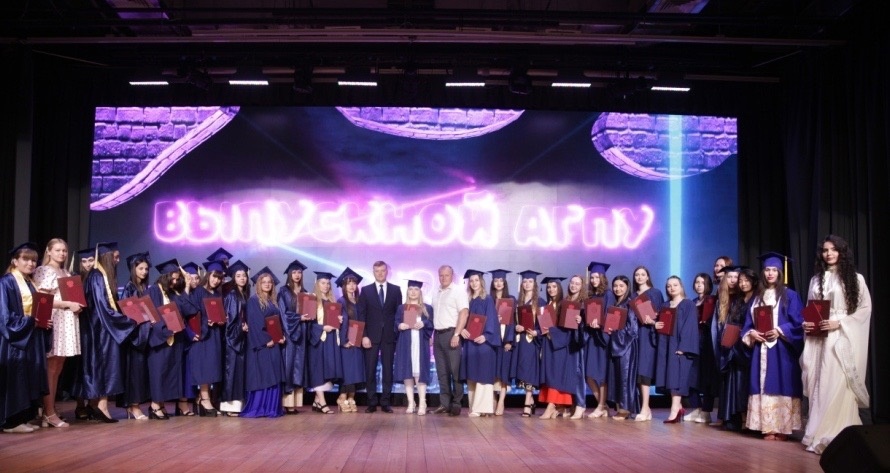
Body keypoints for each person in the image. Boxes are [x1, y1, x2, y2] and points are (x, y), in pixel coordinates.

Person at [800, 235, 872, 454]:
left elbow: (864, 310)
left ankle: (838, 432)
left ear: (842, 252)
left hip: (840, 338)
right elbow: (811, 307)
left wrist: (839, 323)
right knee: (819, 381)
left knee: (836, 382)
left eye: (833, 249)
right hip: (818, 338)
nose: (829, 253)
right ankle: (817, 431)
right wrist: (807, 323)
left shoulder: (856, 279)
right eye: (825, 250)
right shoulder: (816, 280)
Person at [742, 252, 804, 441]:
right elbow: (747, 324)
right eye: (767, 270)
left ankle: (783, 428)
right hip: (760, 348)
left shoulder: (790, 295)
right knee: (761, 384)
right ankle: (767, 427)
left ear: (780, 273)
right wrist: (751, 333)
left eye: (774, 270)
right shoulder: (756, 297)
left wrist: (779, 330)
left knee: (782, 383)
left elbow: (798, 323)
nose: (770, 273)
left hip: (782, 348)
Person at [73, 242, 137, 423]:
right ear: (107, 257)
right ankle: (101, 405)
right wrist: (128, 321)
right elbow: (103, 307)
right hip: (101, 330)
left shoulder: (99, 275)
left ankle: (96, 405)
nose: (117, 260)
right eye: (115, 257)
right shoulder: (97, 276)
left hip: (101, 328)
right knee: (106, 365)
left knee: (101, 366)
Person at [32, 238, 83, 427]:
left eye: (64, 250)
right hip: (55, 319)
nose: (62, 253)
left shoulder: (66, 272)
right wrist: (68, 304)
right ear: (49, 251)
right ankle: (48, 412)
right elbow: (43, 299)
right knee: (51, 368)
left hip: (67, 321)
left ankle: (50, 408)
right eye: (58, 250)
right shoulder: (44, 270)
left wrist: (77, 305)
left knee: (58, 367)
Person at [1, 243, 48, 433]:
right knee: (16, 377)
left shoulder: (29, 282)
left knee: (27, 376)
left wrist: (42, 321)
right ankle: (11, 422)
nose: (31, 263)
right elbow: (4, 316)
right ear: (15, 261)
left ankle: (22, 417)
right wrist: (29, 322)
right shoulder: (6, 282)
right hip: (14, 341)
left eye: (34, 260)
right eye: (26, 259)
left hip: (29, 337)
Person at [146, 258, 199, 420]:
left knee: (167, 373)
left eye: (177, 279)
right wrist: (166, 331)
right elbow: (153, 315)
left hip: (174, 339)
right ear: (165, 277)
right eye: (173, 279)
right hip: (160, 339)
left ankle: (160, 405)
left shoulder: (173, 292)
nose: (175, 282)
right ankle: (155, 406)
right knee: (159, 372)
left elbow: (191, 310)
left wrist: (186, 286)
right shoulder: (154, 291)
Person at [356, 261, 402, 413]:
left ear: (387, 271)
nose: (380, 273)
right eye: (377, 271)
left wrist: (397, 335)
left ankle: (385, 402)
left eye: (382, 270)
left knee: (388, 370)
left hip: (389, 336)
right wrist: (364, 336)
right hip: (371, 336)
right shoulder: (366, 290)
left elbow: (399, 314)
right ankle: (371, 402)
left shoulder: (396, 290)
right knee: (370, 370)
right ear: (373, 272)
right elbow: (361, 315)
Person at [241, 267, 285, 418]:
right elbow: (255, 324)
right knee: (262, 375)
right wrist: (267, 340)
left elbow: (277, 323)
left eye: (269, 282)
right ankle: (260, 407)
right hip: (261, 345)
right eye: (263, 282)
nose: (267, 284)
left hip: (274, 343)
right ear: (258, 284)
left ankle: (271, 408)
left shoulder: (273, 301)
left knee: (274, 374)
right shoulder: (253, 301)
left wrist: (281, 336)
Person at [654, 276, 699, 423]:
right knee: (669, 377)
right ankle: (679, 407)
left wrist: (684, 347)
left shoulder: (688, 304)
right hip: (666, 345)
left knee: (677, 378)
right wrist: (656, 324)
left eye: (675, 285)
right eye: (668, 286)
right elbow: (662, 324)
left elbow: (690, 326)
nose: (671, 288)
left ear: (681, 286)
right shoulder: (665, 305)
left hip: (680, 346)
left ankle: (674, 410)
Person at [716, 266, 755, 431]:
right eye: (741, 281)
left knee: (747, 382)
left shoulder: (757, 298)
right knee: (736, 382)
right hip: (736, 347)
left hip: (750, 347)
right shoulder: (738, 300)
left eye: (746, 281)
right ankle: (738, 418)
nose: (743, 284)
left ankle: (750, 419)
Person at [186, 260, 226, 417]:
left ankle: (202, 400)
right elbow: (191, 314)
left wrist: (222, 320)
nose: (216, 280)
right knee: (204, 368)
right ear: (208, 275)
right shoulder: (198, 292)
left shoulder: (217, 294)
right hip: (202, 335)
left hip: (214, 334)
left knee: (212, 368)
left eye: (219, 278)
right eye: (214, 276)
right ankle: (205, 400)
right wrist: (204, 323)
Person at [459, 269, 500, 417]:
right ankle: (473, 407)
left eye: (476, 280)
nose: (474, 283)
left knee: (483, 374)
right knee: (472, 374)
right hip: (470, 342)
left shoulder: (487, 299)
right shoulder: (467, 300)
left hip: (483, 343)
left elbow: (492, 320)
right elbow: (462, 319)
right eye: (471, 281)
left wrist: (486, 336)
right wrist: (462, 330)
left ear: (481, 281)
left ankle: (482, 408)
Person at [538, 276, 579, 419]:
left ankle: (551, 406)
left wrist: (551, 332)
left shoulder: (566, 304)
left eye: (554, 286)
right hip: (548, 345)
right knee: (550, 375)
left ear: (560, 288)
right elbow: (542, 327)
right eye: (549, 287)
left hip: (561, 346)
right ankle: (558, 407)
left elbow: (569, 328)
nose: (551, 289)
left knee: (557, 376)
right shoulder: (545, 307)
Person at [431, 265, 469, 416]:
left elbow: (464, 313)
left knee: (455, 371)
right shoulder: (436, 292)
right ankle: (444, 403)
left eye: (446, 275)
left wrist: (457, 334)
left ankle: (457, 404)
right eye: (441, 275)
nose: (443, 278)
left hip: (451, 333)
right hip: (438, 334)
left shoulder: (458, 291)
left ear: (452, 276)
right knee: (442, 372)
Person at [118, 251, 152, 420]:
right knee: (134, 373)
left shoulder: (144, 288)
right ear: (133, 269)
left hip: (145, 335)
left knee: (141, 373)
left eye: (146, 269)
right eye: (140, 268)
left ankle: (136, 406)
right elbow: (128, 314)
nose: (144, 272)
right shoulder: (129, 288)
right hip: (135, 337)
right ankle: (134, 406)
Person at [393, 280, 434, 415]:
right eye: (410, 289)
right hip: (406, 342)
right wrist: (400, 325)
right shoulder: (401, 308)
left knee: (420, 372)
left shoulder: (427, 308)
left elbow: (431, 324)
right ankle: (411, 402)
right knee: (407, 372)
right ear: (407, 291)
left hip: (420, 343)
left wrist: (424, 323)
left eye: (416, 289)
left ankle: (422, 402)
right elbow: (396, 323)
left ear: (420, 292)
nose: (413, 292)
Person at [631, 265, 663, 422]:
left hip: (648, 335)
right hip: (634, 337)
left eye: (643, 274)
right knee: (637, 372)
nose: (639, 277)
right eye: (637, 274)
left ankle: (645, 407)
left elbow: (661, 313)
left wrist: (654, 320)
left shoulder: (655, 293)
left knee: (645, 371)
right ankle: (645, 408)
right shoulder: (632, 295)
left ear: (648, 276)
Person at [277, 259, 310, 414]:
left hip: (302, 332)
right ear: (289, 274)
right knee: (289, 366)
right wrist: (298, 318)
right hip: (289, 333)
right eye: (294, 272)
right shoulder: (283, 291)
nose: (297, 275)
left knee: (299, 367)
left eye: (299, 272)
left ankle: (295, 403)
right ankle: (287, 403)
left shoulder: (305, 292)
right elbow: (283, 313)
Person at [684, 272, 718, 423]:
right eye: (697, 282)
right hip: (693, 342)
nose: (699, 285)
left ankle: (706, 411)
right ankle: (696, 408)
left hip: (707, 343)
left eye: (702, 283)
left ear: (708, 285)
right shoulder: (692, 302)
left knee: (707, 378)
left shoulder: (713, 301)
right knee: (691, 377)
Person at [307, 271, 341, 414]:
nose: (326, 285)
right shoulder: (311, 299)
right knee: (318, 371)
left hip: (330, 340)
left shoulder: (332, 300)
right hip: (318, 340)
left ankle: (316, 400)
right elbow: (308, 323)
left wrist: (339, 320)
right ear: (317, 284)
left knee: (327, 369)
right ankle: (322, 402)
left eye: (328, 283)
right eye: (323, 283)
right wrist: (322, 328)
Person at [606, 275, 640, 420]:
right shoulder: (615, 304)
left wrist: (616, 332)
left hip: (627, 345)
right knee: (618, 377)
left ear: (627, 287)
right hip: (616, 344)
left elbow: (633, 329)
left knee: (625, 377)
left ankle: (626, 409)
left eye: (621, 286)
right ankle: (620, 407)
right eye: (615, 286)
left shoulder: (630, 303)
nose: (617, 288)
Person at [583, 262, 614, 419]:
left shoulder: (608, 295)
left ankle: (601, 406)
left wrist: (600, 324)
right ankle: (603, 405)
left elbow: (610, 316)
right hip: (591, 338)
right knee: (588, 375)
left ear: (603, 278)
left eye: (597, 277)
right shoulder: (590, 296)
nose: (594, 280)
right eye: (592, 277)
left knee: (601, 375)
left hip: (602, 339)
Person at [511, 270, 544, 417]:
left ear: (535, 284)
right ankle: (531, 401)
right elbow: (512, 322)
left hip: (532, 341)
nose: (527, 284)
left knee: (529, 372)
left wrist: (537, 332)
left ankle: (527, 404)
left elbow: (545, 325)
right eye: (525, 281)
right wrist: (516, 327)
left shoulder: (540, 302)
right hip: (521, 341)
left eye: (530, 281)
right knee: (522, 372)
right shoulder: (518, 303)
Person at [221, 260, 250, 416]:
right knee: (231, 371)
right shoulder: (232, 295)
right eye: (238, 276)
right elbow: (231, 320)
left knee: (238, 372)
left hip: (240, 338)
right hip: (233, 340)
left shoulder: (243, 294)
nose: (242, 278)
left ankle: (237, 405)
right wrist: (241, 327)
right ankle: (229, 406)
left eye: (244, 275)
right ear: (233, 278)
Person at [335, 267, 366, 413]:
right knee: (347, 372)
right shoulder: (341, 301)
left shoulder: (359, 301)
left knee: (355, 371)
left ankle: (351, 398)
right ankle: (342, 398)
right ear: (344, 286)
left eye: (354, 283)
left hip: (357, 341)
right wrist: (344, 340)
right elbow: (340, 323)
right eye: (348, 283)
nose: (352, 286)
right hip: (346, 343)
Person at [488, 269, 515, 416]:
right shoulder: (488, 300)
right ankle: (493, 399)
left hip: (505, 340)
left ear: (504, 282)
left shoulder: (510, 299)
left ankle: (501, 401)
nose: (498, 283)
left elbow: (512, 321)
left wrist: (509, 340)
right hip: (492, 341)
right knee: (492, 372)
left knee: (504, 372)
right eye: (496, 280)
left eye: (501, 280)